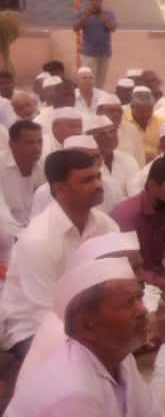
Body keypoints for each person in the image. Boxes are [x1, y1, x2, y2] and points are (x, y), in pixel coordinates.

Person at [0, 149, 119, 371]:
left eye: (97, 177)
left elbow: (118, 284)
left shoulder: (106, 225)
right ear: (60, 189)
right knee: (80, 366)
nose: (97, 185)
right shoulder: (38, 239)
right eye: (86, 180)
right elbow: (43, 315)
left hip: (87, 320)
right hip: (32, 329)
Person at [4, 258, 165, 416]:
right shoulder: (73, 393)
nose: (143, 310)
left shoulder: (120, 358)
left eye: (140, 298)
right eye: (128, 303)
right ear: (86, 327)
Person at [111, 157, 165, 294]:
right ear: (152, 185)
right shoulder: (127, 216)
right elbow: (131, 271)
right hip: (128, 285)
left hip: (159, 282)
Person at [0, 121, 45, 239]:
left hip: (37, 232)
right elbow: (2, 215)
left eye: (40, 142)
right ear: (11, 144)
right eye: (29, 143)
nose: (37, 148)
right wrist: (22, 235)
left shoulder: (43, 166)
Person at [72, 0, 116, 87]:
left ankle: (99, 96)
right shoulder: (82, 13)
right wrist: (85, 17)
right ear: (88, 0)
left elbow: (113, 28)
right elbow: (75, 28)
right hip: (89, 53)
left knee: (101, 81)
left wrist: (103, 17)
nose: (95, 2)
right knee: (88, 81)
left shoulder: (109, 13)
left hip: (105, 52)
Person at [85, 114, 139, 193]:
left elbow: (136, 189)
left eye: (112, 131)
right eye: (102, 134)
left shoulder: (128, 159)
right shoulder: (86, 165)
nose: (109, 136)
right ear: (89, 137)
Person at [98, 92, 146, 167]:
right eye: (111, 111)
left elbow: (140, 158)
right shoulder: (92, 131)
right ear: (99, 113)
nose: (116, 114)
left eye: (119, 111)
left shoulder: (131, 129)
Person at [125, 87, 165, 163]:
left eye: (149, 111)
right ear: (132, 107)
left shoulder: (160, 121)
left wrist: (158, 158)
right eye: (142, 112)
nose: (146, 114)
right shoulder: (123, 122)